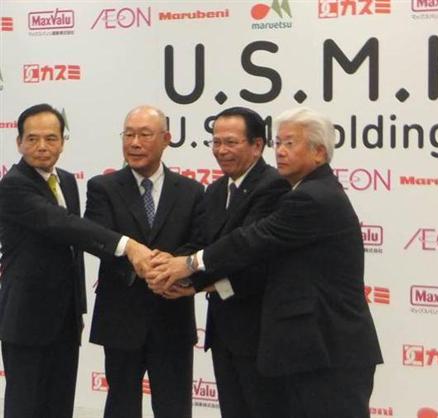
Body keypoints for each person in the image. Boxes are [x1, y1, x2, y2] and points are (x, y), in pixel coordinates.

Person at [147, 107, 383, 418]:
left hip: (330, 350)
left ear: (319, 152)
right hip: (313, 349)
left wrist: (189, 265)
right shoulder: (306, 190)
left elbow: (251, 241)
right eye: (279, 143)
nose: (280, 152)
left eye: (290, 144)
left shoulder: (311, 197)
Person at [0, 103, 154, 418]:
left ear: (62, 142)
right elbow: (62, 224)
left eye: (50, 138)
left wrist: (78, 308)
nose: (42, 146)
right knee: (25, 406)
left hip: (65, 320)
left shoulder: (67, 181)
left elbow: (74, 248)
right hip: (26, 319)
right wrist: (127, 245)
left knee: (60, 405)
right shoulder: (13, 185)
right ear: (19, 142)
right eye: (32, 139)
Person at [168, 107, 290, 418]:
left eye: (231, 142)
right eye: (216, 142)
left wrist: (196, 282)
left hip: (260, 332)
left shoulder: (273, 186)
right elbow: (202, 245)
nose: (221, 150)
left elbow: (253, 258)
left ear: (257, 145)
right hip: (223, 332)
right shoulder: (215, 190)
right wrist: (165, 265)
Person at [84, 105, 204, 418]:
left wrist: (174, 263)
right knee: (121, 406)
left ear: (166, 139)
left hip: (172, 316)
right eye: (129, 135)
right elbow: (98, 237)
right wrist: (141, 265)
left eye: (144, 135)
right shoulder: (102, 187)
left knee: (174, 407)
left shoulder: (191, 191)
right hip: (121, 316)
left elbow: (200, 241)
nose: (135, 143)